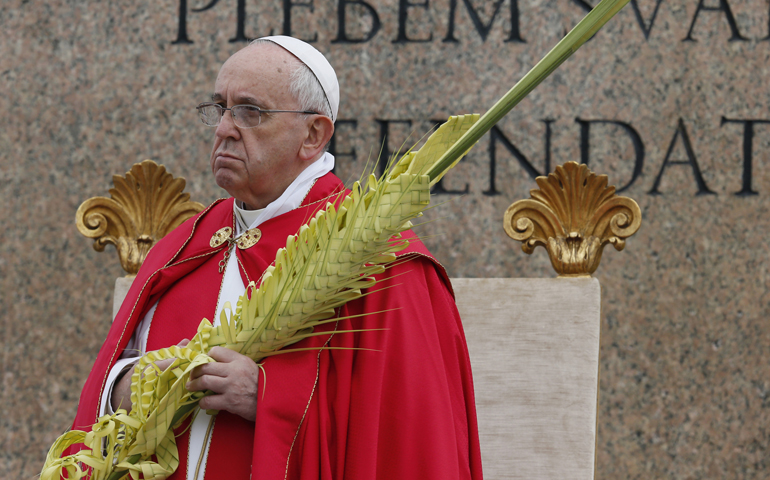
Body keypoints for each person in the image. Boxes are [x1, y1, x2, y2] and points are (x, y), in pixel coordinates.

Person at [70, 36, 483, 480]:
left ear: (313, 134)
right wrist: (128, 387)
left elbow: (405, 437)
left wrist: (266, 397)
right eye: (220, 108)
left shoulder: (380, 256)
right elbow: (109, 383)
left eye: (250, 112)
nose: (224, 128)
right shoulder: (185, 243)